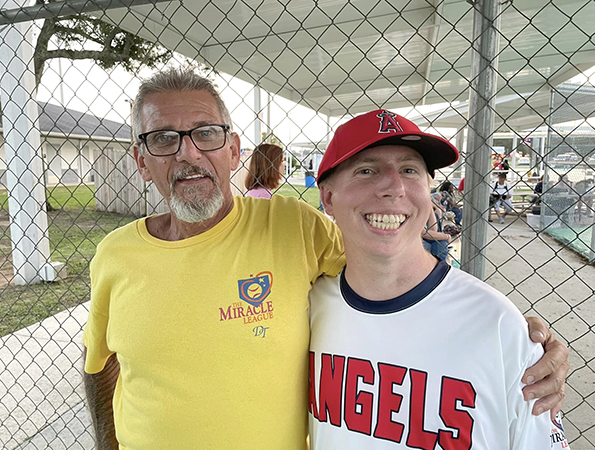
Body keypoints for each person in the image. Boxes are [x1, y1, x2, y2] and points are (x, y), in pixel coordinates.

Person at [82, 68, 569, 449]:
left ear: (233, 150)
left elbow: (388, 267)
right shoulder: (115, 256)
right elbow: (101, 362)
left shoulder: (295, 227)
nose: (188, 153)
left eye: (206, 133)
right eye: (163, 138)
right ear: (141, 160)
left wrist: (510, 335)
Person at [309, 110, 571, 449]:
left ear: (428, 189)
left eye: (409, 170)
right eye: (366, 170)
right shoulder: (308, 308)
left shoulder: (500, 326)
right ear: (328, 198)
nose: (393, 186)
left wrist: (524, 345)